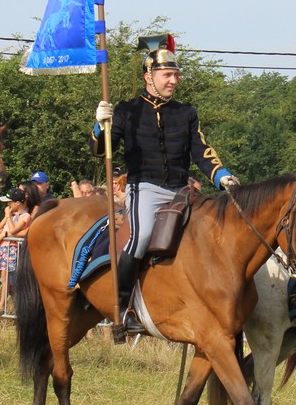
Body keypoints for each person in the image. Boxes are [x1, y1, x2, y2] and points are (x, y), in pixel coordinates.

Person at [92, 35, 237, 343]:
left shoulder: (186, 113)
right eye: (167, 75)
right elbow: (101, 150)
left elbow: (202, 150)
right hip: (143, 187)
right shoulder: (126, 110)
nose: (174, 80)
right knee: (141, 236)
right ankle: (123, 308)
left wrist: (222, 176)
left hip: (180, 191)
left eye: (176, 75)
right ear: (149, 76)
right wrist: (100, 125)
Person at [0, 182, 38, 315]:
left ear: (17, 203)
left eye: (9, 202)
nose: (8, 205)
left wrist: (8, 217)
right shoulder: (11, 214)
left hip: (11, 248)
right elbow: (1, 225)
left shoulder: (25, 216)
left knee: (5, 276)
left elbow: (13, 230)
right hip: (0, 247)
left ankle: (1, 305)